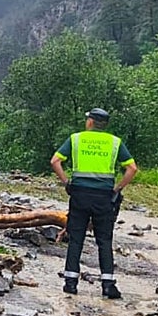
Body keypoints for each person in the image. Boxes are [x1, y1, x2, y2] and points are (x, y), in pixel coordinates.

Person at [50, 108, 138, 299]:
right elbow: (132, 168)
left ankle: (70, 283)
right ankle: (108, 285)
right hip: (104, 197)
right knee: (104, 240)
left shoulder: (76, 139)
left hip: (79, 195)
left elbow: (55, 161)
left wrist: (67, 183)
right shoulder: (114, 142)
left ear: (90, 122)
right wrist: (117, 188)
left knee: (76, 239)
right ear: (104, 124)